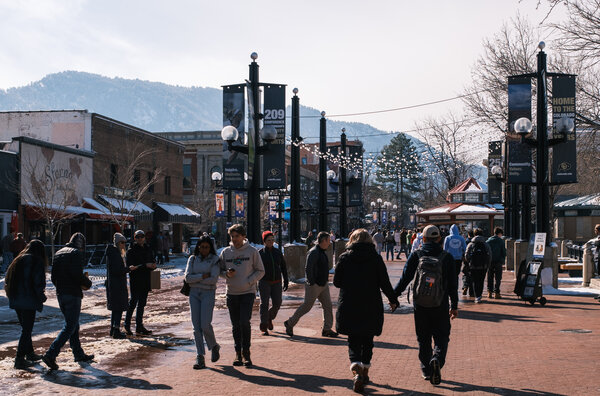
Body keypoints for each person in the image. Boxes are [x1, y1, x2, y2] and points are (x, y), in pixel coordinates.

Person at [334, 229, 399, 393]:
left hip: (349, 303)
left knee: (353, 338)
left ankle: (356, 368)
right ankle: (365, 370)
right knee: (368, 338)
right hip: (371, 304)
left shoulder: (345, 257)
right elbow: (384, 282)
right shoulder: (375, 259)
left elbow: (336, 282)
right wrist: (393, 300)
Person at [394, 225, 458, 385]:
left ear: (422, 239)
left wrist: (393, 297)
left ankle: (426, 370)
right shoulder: (447, 257)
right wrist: (454, 305)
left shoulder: (416, 255)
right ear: (439, 239)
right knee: (442, 336)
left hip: (420, 304)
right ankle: (436, 359)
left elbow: (405, 279)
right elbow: (452, 284)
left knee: (423, 338)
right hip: (440, 303)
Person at [42, 233, 93, 371]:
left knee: (73, 324)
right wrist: (87, 282)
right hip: (72, 293)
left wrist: (61, 286)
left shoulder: (59, 253)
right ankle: (51, 354)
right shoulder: (75, 253)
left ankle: (78, 354)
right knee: (70, 326)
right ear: (80, 244)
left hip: (61, 293)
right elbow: (77, 275)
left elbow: (53, 276)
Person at [219, 224, 264, 367]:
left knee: (244, 322)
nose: (234, 239)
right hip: (232, 293)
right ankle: (237, 353)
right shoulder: (225, 253)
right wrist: (226, 274)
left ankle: (246, 353)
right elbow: (219, 271)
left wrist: (250, 281)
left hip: (247, 293)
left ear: (243, 236)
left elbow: (261, 270)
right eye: (232, 236)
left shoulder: (252, 252)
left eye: (237, 236)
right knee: (235, 325)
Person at [284, 231, 338, 338]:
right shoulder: (314, 252)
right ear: (323, 241)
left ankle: (327, 329)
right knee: (307, 306)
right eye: (328, 240)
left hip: (323, 284)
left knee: (327, 306)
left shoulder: (322, 251)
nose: (330, 242)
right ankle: (290, 323)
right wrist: (312, 282)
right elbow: (308, 268)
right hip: (315, 285)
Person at [5, 239, 48, 369]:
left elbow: (8, 279)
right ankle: (19, 358)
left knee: (25, 328)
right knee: (27, 330)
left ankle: (29, 353)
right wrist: (41, 296)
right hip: (29, 299)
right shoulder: (36, 261)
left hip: (16, 298)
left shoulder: (18, 260)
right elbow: (37, 283)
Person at [185, 235, 222, 369]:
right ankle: (200, 356)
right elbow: (187, 278)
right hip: (194, 294)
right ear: (198, 248)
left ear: (210, 248)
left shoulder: (215, 260)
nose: (204, 249)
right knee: (196, 327)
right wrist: (202, 276)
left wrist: (197, 279)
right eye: (201, 247)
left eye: (207, 247)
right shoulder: (193, 259)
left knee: (205, 324)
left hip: (208, 293)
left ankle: (213, 346)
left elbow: (213, 279)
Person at [124, 230, 157, 336]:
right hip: (136, 280)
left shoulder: (148, 249)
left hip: (146, 279)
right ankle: (127, 325)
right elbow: (130, 266)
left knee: (142, 304)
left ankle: (139, 326)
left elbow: (152, 261)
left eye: (142, 236)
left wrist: (153, 265)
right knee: (133, 303)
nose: (140, 238)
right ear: (134, 238)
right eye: (137, 237)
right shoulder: (131, 250)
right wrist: (145, 265)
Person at [258, 231, 289, 336]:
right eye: (268, 240)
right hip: (264, 282)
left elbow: (283, 266)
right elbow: (255, 268)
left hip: (276, 282)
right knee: (264, 304)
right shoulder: (260, 253)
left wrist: (286, 280)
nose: (271, 242)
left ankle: (269, 318)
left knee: (277, 303)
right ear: (264, 242)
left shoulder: (277, 252)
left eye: (272, 240)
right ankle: (263, 325)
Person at [106, 233, 131, 339]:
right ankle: (116, 330)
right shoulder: (115, 254)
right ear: (117, 243)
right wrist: (128, 269)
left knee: (115, 308)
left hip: (115, 284)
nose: (124, 245)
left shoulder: (115, 253)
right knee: (118, 307)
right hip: (117, 285)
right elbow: (117, 271)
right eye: (122, 242)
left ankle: (113, 329)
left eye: (125, 242)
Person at [464, 228, 492, 303]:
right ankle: (480, 295)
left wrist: (469, 261)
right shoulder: (485, 244)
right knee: (481, 280)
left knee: (475, 281)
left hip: (473, 266)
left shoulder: (471, 244)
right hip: (483, 266)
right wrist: (487, 265)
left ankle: (477, 296)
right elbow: (490, 255)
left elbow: (466, 254)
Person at [443, 224, 467, 289]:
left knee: (449, 274)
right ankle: (455, 288)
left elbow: (444, 249)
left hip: (449, 259)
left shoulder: (447, 238)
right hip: (458, 259)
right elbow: (465, 248)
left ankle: (449, 287)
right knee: (456, 274)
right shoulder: (461, 238)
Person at [486, 227, 506, 299]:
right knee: (498, 278)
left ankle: (489, 292)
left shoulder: (488, 241)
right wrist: (503, 260)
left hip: (490, 261)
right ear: (499, 233)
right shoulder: (501, 241)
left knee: (490, 277)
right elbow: (503, 252)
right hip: (498, 262)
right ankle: (497, 292)